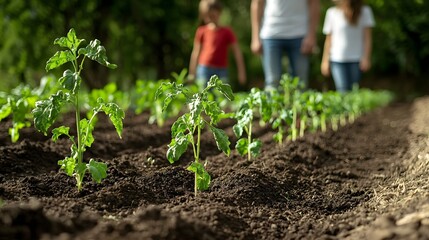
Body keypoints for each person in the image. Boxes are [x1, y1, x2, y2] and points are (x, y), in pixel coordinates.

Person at [251, 0, 321, 91]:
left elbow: (314, 3)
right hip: (271, 33)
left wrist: (311, 35)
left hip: (300, 34)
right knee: (273, 81)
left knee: (301, 83)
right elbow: (257, 4)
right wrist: (255, 37)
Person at [188, 0, 246, 88]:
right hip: (204, 69)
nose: (210, 17)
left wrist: (241, 72)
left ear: (219, 12)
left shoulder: (227, 32)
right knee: (203, 96)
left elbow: (237, 52)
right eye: (208, 15)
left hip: (222, 70)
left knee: (221, 97)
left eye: (213, 15)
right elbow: (196, 52)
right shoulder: (201, 31)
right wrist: (192, 73)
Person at [321, 0, 375, 93]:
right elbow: (329, 40)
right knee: (342, 90)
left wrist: (366, 57)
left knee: (354, 90)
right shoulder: (331, 13)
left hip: (356, 59)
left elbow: (367, 38)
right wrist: (325, 60)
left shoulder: (365, 11)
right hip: (337, 59)